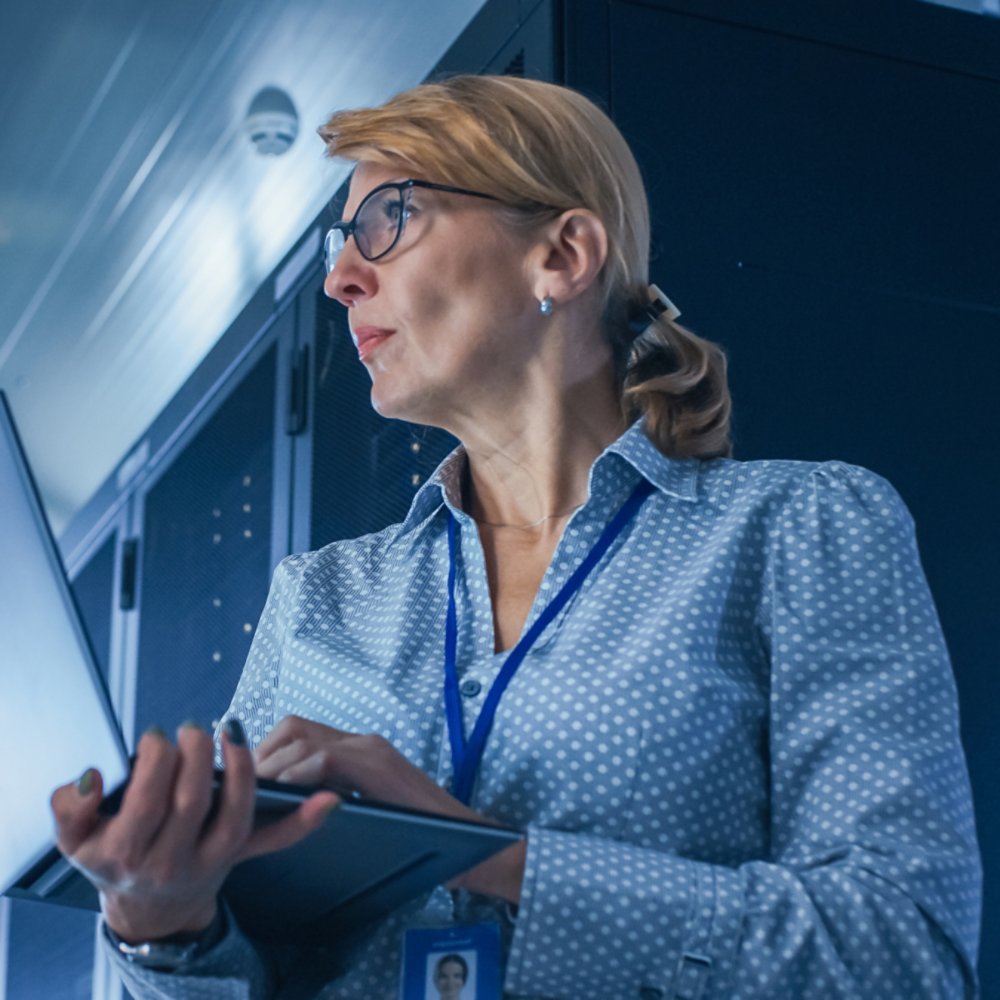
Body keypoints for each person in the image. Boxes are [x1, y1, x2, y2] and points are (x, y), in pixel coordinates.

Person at [50, 74, 981, 999]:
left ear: (563, 255)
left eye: (388, 219)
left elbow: (904, 955)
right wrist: (160, 923)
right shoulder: (318, 598)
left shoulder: (801, 531)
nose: (340, 279)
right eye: (341, 244)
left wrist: (487, 855)